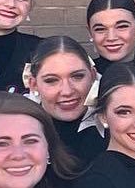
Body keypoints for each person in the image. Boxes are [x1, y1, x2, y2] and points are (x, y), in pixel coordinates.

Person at [25, 35, 106, 164]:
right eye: (51, 80)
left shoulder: (114, 126)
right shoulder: (19, 131)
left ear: (92, 75)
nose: (67, 91)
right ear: (33, 84)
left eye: (77, 76)